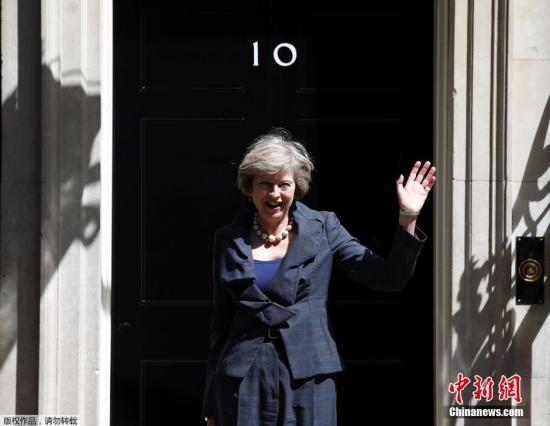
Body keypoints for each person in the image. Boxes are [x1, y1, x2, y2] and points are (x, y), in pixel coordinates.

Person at [202, 127, 436, 426]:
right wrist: (210, 402)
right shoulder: (228, 239)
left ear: (297, 186)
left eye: (284, 184)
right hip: (244, 375)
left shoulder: (324, 228)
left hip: (308, 372)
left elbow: (389, 277)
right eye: (265, 184)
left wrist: (408, 217)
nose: (275, 194)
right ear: (250, 187)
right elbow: (220, 324)